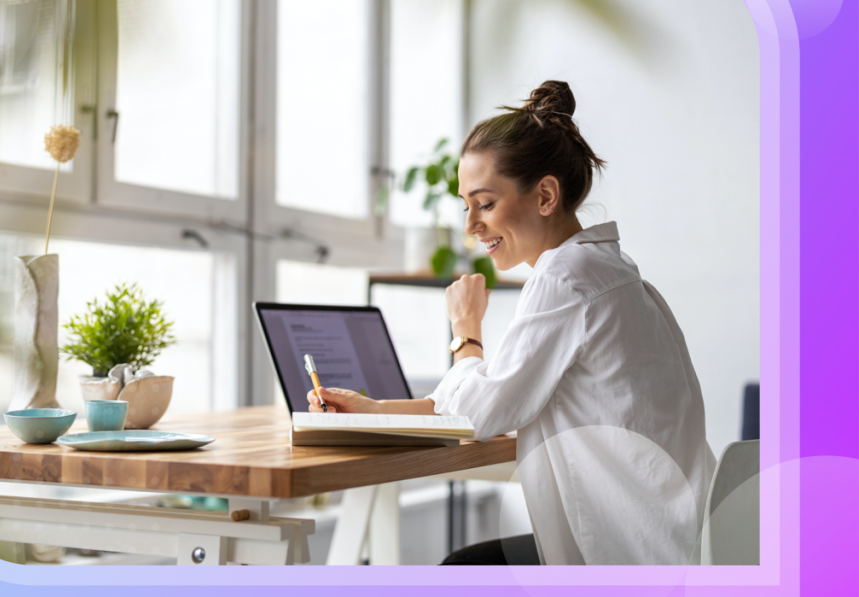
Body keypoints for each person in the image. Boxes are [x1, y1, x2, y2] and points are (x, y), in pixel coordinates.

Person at [307, 80, 716, 565]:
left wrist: (466, 330)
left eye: (485, 203)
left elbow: (478, 415)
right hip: (678, 541)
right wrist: (374, 411)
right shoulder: (610, 271)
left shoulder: (565, 279)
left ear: (545, 195)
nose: (470, 226)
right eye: (466, 206)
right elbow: (495, 397)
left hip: (632, 557)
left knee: (462, 569)